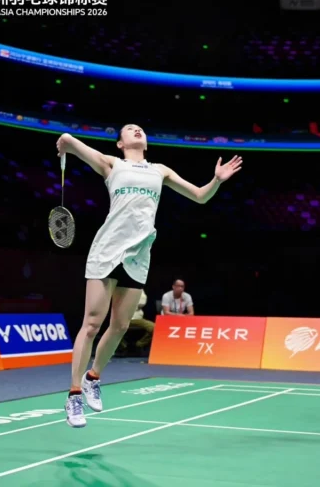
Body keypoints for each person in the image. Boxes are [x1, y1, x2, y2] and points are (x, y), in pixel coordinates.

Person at [56, 124, 242, 428]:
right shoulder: (112, 164)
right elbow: (72, 142)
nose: (136, 130)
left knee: (120, 325)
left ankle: (93, 377)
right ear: (120, 143)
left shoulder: (160, 170)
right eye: (129, 129)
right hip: (107, 250)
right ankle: (74, 395)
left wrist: (216, 181)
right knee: (91, 324)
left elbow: (199, 196)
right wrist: (65, 142)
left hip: (139, 256)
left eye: (139, 128)